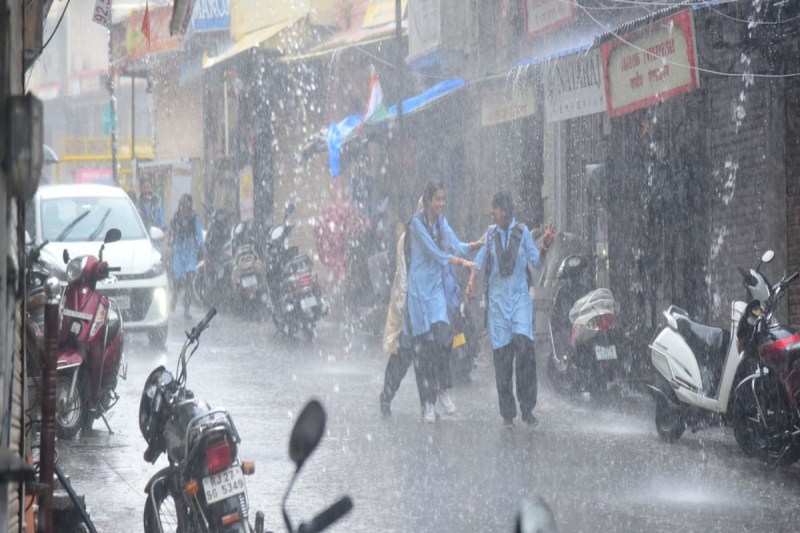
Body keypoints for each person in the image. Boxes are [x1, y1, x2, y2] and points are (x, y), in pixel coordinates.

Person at [469, 191, 554, 429]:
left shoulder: (522, 232)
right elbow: (480, 259)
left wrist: (545, 247)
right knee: (503, 360)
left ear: (505, 210)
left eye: (495, 209)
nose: (492, 212)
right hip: (497, 304)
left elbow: (536, 262)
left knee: (525, 350)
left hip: (518, 300)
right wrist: (471, 282)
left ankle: (527, 408)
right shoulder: (491, 234)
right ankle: (508, 413)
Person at [406, 181, 478, 423]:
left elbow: (454, 244)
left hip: (435, 289)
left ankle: (443, 390)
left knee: (445, 338)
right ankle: (428, 404)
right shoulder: (416, 224)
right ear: (428, 200)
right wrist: (462, 263)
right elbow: (435, 253)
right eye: (437, 199)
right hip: (419, 292)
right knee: (425, 350)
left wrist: (472, 247)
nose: (441, 204)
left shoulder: (441, 221)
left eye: (443, 199)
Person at [169, 194, 205, 319]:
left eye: (188, 206)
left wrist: (204, 251)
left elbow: (199, 235)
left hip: (190, 251)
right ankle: (174, 295)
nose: (186, 208)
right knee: (178, 279)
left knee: (189, 281)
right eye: (184, 206)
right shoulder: (176, 217)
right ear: (180, 206)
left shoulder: (195, 217)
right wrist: (170, 239)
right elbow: (171, 232)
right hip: (179, 251)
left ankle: (187, 309)